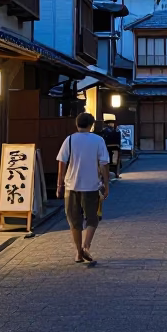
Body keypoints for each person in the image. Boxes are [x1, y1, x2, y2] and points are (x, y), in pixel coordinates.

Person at [56, 112, 110, 264]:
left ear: (77, 124)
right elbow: (104, 164)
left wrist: (59, 184)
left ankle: (79, 252)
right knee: (92, 217)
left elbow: (62, 162)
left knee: (74, 220)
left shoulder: (70, 139)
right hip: (91, 185)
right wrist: (106, 185)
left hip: (71, 185)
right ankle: (86, 246)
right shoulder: (98, 140)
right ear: (91, 125)